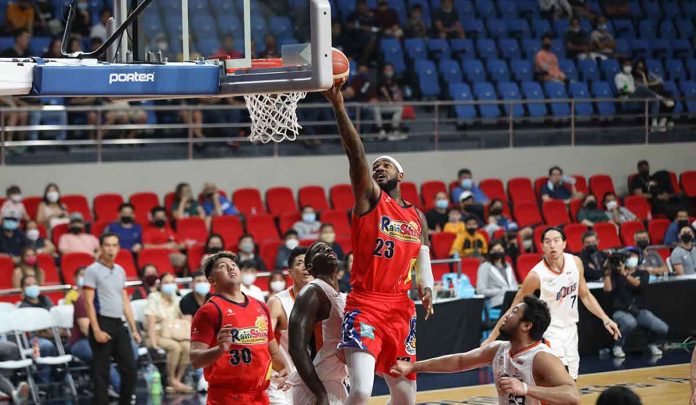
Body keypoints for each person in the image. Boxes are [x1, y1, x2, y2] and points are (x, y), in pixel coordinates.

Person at [324, 83, 434, 405]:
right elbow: (356, 154)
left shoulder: (417, 216)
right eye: (376, 167)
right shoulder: (370, 200)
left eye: (386, 165)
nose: (378, 168)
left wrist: (426, 286)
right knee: (360, 391)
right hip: (366, 303)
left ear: (401, 175)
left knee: (405, 398)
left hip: (401, 307)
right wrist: (339, 106)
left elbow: (422, 254)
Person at [483, 227, 621, 379]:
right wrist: (490, 338)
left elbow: (585, 295)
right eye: (548, 242)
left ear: (564, 244)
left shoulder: (575, 263)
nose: (552, 245)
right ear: (542, 246)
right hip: (551, 330)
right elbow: (513, 309)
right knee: (561, 377)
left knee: (571, 380)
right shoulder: (536, 276)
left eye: (556, 241)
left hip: (571, 328)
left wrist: (605, 318)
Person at [391, 295, 580, 405]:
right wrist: (413, 367)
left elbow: (574, 396)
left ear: (526, 325)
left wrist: (525, 388)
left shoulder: (541, 357)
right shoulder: (499, 348)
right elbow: (459, 361)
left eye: (514, 312)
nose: (506, 315)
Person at [190, 251, 289, 404]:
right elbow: (196, 359)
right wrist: (220, 349)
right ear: (212, 280)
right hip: (227, 397)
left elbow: (272, 350)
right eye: (223, 266)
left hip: (260, 396)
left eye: (233, 265)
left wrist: (283, 368)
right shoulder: (209, 310)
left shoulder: (260, 306)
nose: (231, 268)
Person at [82, 232, 142, 405]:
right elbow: (88, 302)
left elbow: (124, 300)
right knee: (102, 373)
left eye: (114, 245)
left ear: (119, 248)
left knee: (130, 369)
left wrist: (134, 329)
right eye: (107, 245)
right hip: (102, 321)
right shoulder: (92, 270)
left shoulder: (120, 270)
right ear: (101, 247)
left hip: (118, 323)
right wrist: (96, 329)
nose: (111, 249)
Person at [288, 242, 348, 404]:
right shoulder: (311, 291)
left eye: (329, 248)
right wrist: (320, 394)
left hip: (334, 380)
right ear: (310, 267)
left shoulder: (341, 296)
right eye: (319, 250)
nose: (328, 250)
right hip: (316, 384)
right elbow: (296, 347)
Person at [604, 247, 668, 358]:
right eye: (628, 256)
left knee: (662, 328)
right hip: (620, 310)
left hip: (638, 310)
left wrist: (625, 274)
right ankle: (618, 346)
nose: (631, 258)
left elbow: (639, 285)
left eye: (633, 256)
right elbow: (607, 289)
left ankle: (651, 344)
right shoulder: (616, 274)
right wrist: (608, 273)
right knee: (630, 323)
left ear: (639, 258)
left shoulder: (643, 273)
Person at [266, 247, 310, 404]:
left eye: (310, 263)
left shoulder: (326, 300)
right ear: (290, 272)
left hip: (312, 379)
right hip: (282, 380)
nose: (306, 267)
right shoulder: (277, 302)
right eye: (300, 263)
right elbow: (263, 341)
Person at [145, 272, 194, 393]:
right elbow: (150, 322)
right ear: (160, 285)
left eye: (172, 282)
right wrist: (153, 343)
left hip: (174, 334)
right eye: (166, 283)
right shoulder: (153, 297)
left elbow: (184, 319)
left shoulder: (177, 299)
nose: (170, 285)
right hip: (157, 334)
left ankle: (177, 380)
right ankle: (171, 379)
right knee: (175, 347)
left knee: (187, 347)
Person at [633, 59, 675, 132]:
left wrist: (650, 83)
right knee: (648, 91)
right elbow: (644, 87)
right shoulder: (634, 78)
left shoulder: (649, 73)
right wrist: (643, 76)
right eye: (639, 68)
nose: (641, 70)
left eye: (642, 68)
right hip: (643, 96)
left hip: (654, 93)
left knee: (671, 98)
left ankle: (662, 123)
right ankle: (662, 100)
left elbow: (660, 80)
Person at [476, 240, 518, 309]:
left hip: (514, 300)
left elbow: (514, 284)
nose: (497, 252)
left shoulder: (508, 265)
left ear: (503, 250)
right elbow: (480, 290)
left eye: (499, 249)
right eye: (494, 250)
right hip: (498, 301)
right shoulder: (485, 266)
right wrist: (501, 291)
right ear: (489, 252)